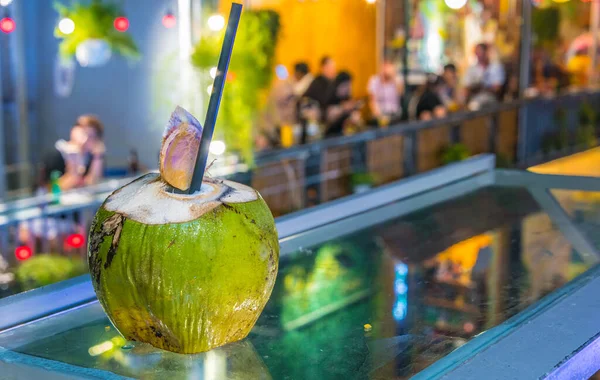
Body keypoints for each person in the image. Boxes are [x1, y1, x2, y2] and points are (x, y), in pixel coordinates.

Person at [37, 115, 105, 192]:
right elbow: (49, 190)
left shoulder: (91, 157)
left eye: (91, 136)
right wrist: (74, 168)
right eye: (83, 133)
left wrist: (98, 157)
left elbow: (92, 184)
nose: (86, 139)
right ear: (73, 131)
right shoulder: (55, 156)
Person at [324, 71, 363, 137]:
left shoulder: (346, 96)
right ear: (339, 85)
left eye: (349, 85)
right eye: (346, 85)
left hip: (346, 133)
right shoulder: (330, 95)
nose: (348, 88)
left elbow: (353, 114)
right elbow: (330, 116)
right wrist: (343, 108)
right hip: (331, 134)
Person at [367, 57, 404, 124]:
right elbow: (372, 101)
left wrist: (393, 77)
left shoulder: (397, 80)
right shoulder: (374, 80)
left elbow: (401, 92)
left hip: (395, 114)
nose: (386, 69)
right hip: (380, 114)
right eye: (384, 66)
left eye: (389, 67)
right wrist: (382, 80)